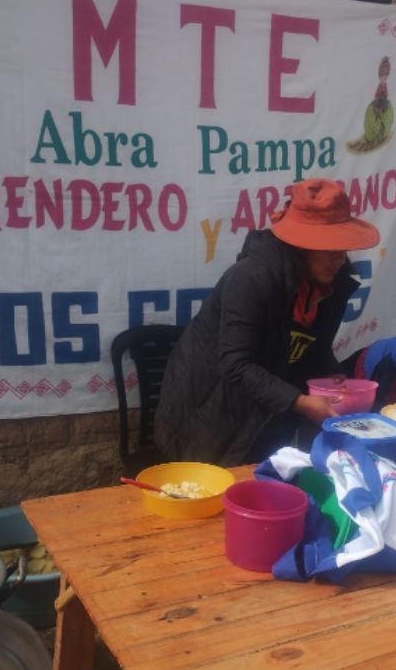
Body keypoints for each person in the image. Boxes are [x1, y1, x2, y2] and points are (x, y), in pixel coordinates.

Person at [154, 179, 381, 466]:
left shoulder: (330, 287)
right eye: (329, 249)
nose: (339, 260)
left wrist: (333, 377)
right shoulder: (249, 278)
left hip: (268, 412)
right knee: (211, 484)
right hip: (210, 409)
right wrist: (300, 402)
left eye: (343, 249)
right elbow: (235, 364)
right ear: (301, 246)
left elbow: (314, 349)